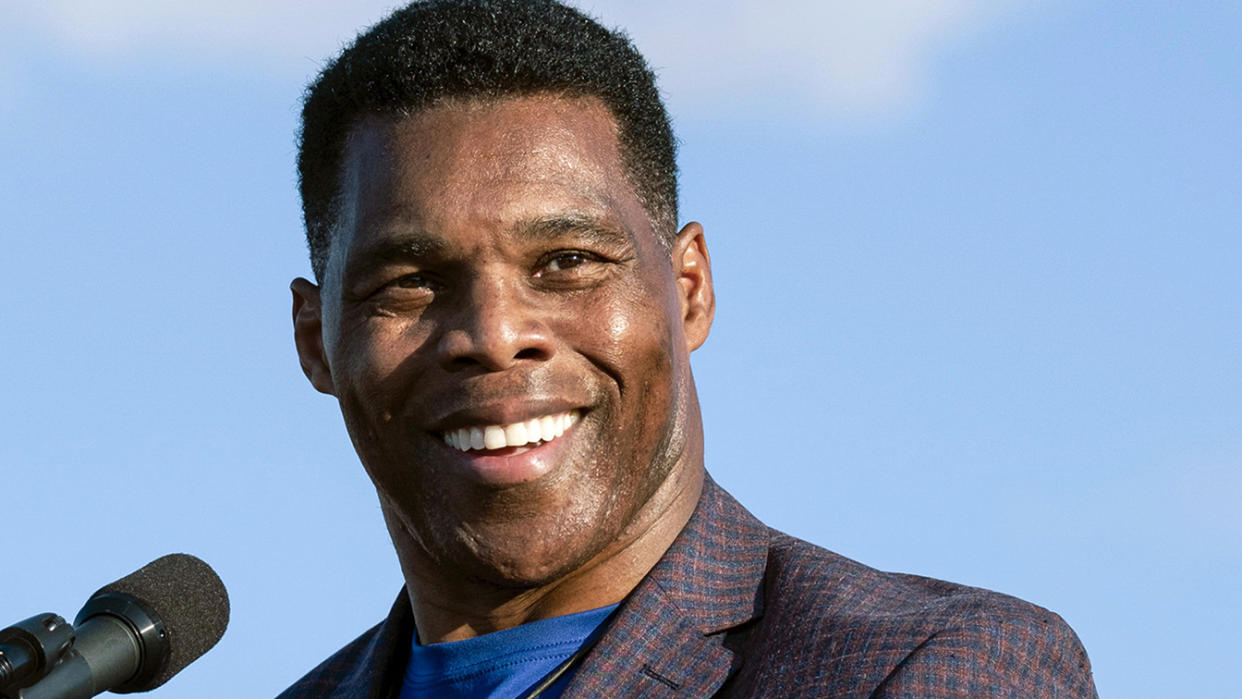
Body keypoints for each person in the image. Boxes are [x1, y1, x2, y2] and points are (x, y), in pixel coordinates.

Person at [281, 1, 1098, 696]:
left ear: (690, 288)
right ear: (317, 340)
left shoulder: (929, 670)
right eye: (409, 282)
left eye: (567, 263)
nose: (496, 335)